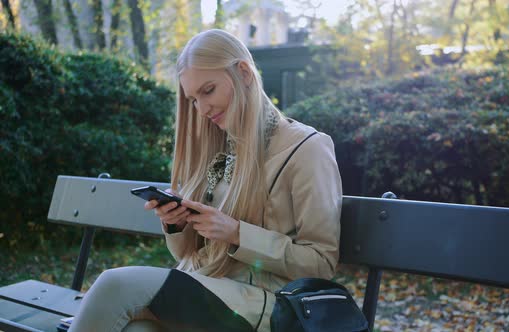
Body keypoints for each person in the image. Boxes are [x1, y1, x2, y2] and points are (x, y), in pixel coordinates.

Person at [68, 29, 342, 332]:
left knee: (115, 284)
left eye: (208, 90)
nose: (201, 108)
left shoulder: (307, 148)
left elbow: (322, 263)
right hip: (211, 291)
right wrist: (177, 223)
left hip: (272, 306)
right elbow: (189, 256)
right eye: (193, 99)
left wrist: (237, 233)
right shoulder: (220, 150)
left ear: (243, 73)